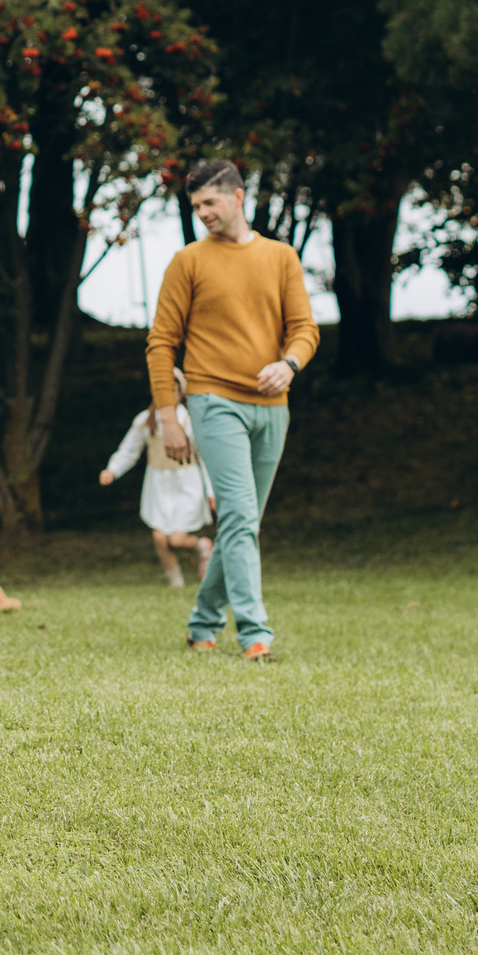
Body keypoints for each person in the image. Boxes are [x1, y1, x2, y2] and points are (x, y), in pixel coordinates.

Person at [144, 160, 320, 661]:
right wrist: (169, 417)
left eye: (210, 203)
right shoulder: (188, 262)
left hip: (273, 407)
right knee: (241, 515)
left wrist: (289, 364)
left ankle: (202, 621)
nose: (202, 213)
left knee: (243, 521)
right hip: (213, 401)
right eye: (195, 206)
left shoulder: (280, 256)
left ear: (238, 197)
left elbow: (305, 329)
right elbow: (161, 343)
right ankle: (255, 634)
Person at [99, 368, 215, 587]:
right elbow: (129, 450)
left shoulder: (190, 421)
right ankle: (176, 583)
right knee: (160, 537)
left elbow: (205, 457)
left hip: (186, 482)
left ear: (181, 393)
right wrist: (112, 470)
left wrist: (211, 491)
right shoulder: (145, 420)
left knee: (177, 539)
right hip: (159, 484)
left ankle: (202, 546)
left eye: (172, 389)